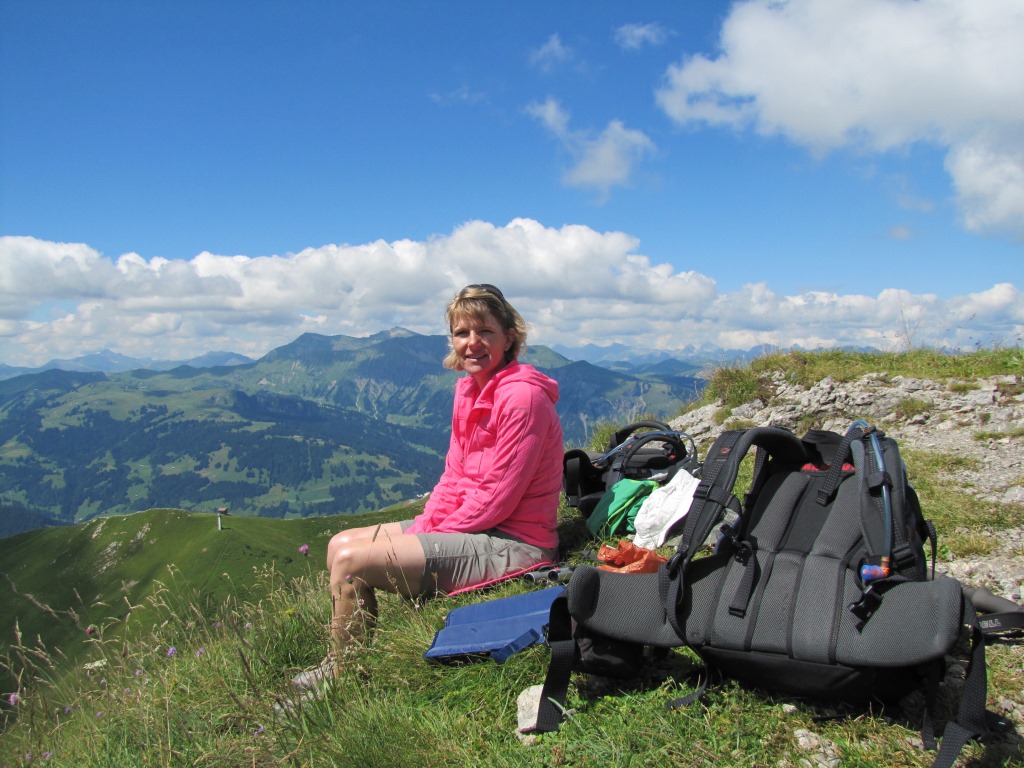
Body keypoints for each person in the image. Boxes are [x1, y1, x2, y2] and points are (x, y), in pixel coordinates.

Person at [295, 284, 563, 690]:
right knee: (339, 544)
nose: (472, 343)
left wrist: (422, 537)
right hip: (477, 527)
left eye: (485, 331)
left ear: (509, 338)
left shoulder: (522, 399)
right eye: (461, 332)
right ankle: (343, 656)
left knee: (351, 563)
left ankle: (342, 681)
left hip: (516, 541)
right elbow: (453, 476)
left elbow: (497, 500)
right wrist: (426, 524)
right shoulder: (469, 390)